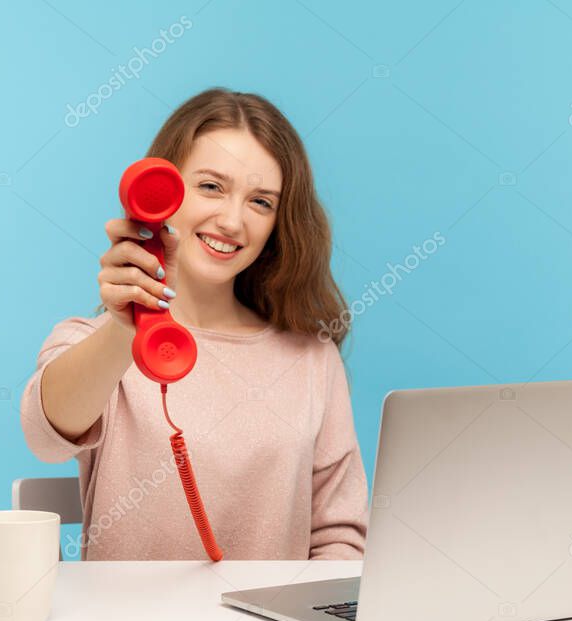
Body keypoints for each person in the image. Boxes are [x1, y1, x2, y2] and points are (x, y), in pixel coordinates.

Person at [20, 87, 369, 560]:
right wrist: (126, 330)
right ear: (162, 192)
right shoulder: (92, 341)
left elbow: (340, 538)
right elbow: (45, 440)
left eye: (261, 202)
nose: (232, 220)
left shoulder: (312, 358)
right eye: (211, 187)